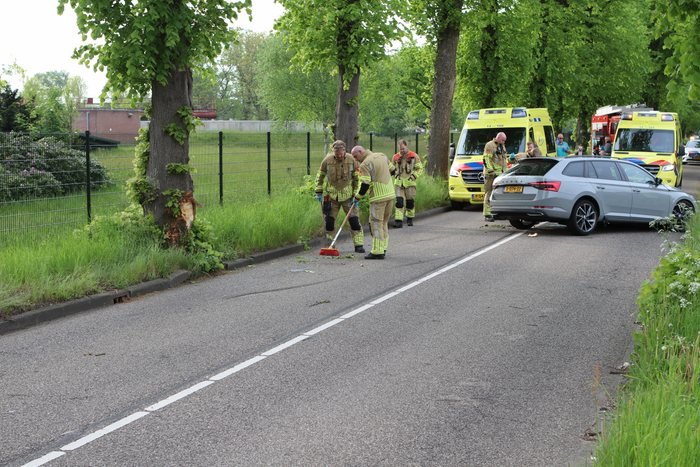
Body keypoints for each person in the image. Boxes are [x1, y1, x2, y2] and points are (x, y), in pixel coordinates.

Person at [315, 140, 365, 253]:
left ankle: (359, 245)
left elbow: (358, 178)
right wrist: (318, 191)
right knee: (329, 223)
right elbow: (320, 176)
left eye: (341, 154)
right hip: (332, 197)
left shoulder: (351, 160)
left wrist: (356, 194)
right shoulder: (327, 161)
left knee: (354, 222)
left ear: (344, 151)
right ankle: (330, 245)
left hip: (349, 197)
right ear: (333, 152)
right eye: (336, 154)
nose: (339, 156)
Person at [350, 145, 396, 259]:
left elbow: (365, 184)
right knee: (384, 222)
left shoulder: (365, 164)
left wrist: (357, 197)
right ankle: (383, 247)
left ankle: (377, 251)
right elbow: (393, 171)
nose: (355, 159)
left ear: (361, 152)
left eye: (355, 156)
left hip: (378, 197)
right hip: (390, 194)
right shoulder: (382, 155)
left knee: (376, 223)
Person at [389, 139, 424, 228]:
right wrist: (393, 174)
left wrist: (413, 176)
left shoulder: (414, 156)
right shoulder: (395, 157)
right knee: (399, 202)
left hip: (410, 183)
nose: (402, 151)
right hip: (398, 183)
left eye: (403, 148)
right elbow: (391, 168)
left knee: (410, 202)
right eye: (400, 149)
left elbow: (420, 168)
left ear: (406, 146)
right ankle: (398, 221)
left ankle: (409, 218)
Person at [482, 132, 508, 222]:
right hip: (491, 174)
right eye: (503, 140)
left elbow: (503, 160)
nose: (504, 142)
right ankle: (487, 214)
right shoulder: (490, 145)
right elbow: (486, 159)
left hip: (500, 174)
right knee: (489, 193)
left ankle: (497, 212)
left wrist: (505, 171)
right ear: (498, 138)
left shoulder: (502, 146)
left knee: (499, 193)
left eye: (504, 141)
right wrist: (490, 170)